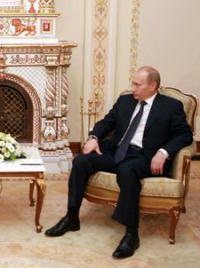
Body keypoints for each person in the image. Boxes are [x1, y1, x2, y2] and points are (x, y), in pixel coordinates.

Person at [45, 66, 193, 258]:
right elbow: (106, 122)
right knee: (81, 161)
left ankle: (132, 233)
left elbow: (185, 135)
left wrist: (163, 152)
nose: (133, 88)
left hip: (144, 156)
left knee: (126, 170)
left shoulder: (171, 106)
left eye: (137, 84)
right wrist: (93, 138)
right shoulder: (125, 101)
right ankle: (72, 217)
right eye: (132, 83)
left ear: (153, 86)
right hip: (116, 150)